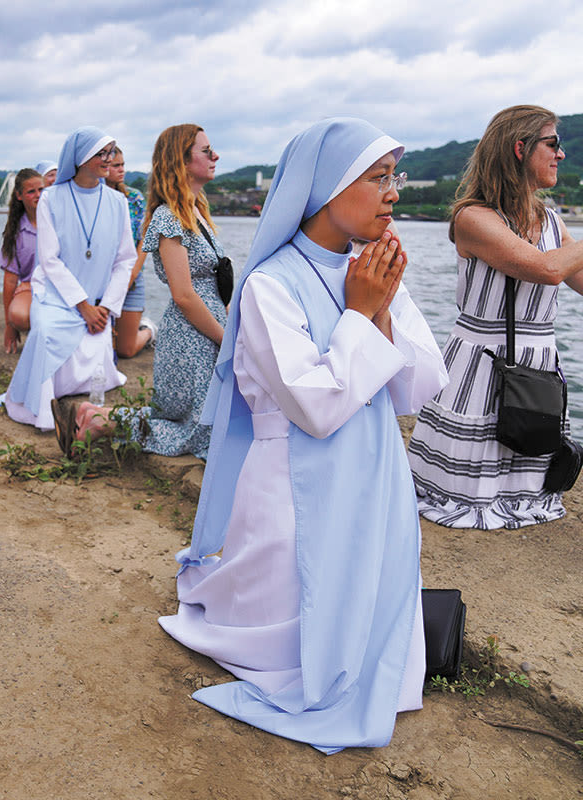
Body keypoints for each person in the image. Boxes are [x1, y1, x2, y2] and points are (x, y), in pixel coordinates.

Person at [157, 118, 448, 753]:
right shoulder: (270, 285)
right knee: (295, 613)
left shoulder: (371, 268)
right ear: (324, 188)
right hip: (291, 476)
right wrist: (361, 311)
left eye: (393, 177)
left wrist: (381, 309)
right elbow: (313, 407)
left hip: (374, 465)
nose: (394, 191)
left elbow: (417, 387)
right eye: (378, 178)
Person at [407, 104, 583, 530]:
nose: (561, 154)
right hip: (484, 363)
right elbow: (547, 269)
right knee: (466, 499)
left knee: (522, 494)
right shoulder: (474, 218)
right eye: (553, 143)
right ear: (520, 148)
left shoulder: (553, 222)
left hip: (536, 364)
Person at [64, 124, 225, 460]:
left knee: (203, 424)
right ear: (181, 161)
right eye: (206, 151)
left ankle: (96, 418)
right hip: (193, 335)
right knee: (197, 431)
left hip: (207, 327)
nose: (215, 156)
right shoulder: (169, 217)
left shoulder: (197, 210)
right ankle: (98, 421)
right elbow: (183, 294)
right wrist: (225, 337)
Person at [2, 126, 135, 430]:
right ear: (81, 158)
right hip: (56, 297)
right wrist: (82, 305)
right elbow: (49, 260)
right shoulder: (52, 198)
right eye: (102, 153)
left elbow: (125, 259)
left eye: (111, 152)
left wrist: (107, 307)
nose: (109, 159)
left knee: (96, 338)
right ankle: (45, 413)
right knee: (46, 332)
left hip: (99, 301)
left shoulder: (118, 203)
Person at [106, 145, 154, 358]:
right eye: (116, 165)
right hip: (103, 278)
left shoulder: (134, 198)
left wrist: (132, 274)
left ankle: (149, 331)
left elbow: (144, 239)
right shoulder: (96, 199)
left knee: (125, 351)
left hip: (132, 276)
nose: (122, 170)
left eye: (123, 165)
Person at [0, 167, 44, 354]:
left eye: (41, 189)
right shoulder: (15, 232)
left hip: (58, 286)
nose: (38, 195)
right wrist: (9, 325)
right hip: (30, 289)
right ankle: (38, 337)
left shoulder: (59, 221)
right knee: (19, 315)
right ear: (19, 196)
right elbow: (10, 280)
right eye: (31, 191)